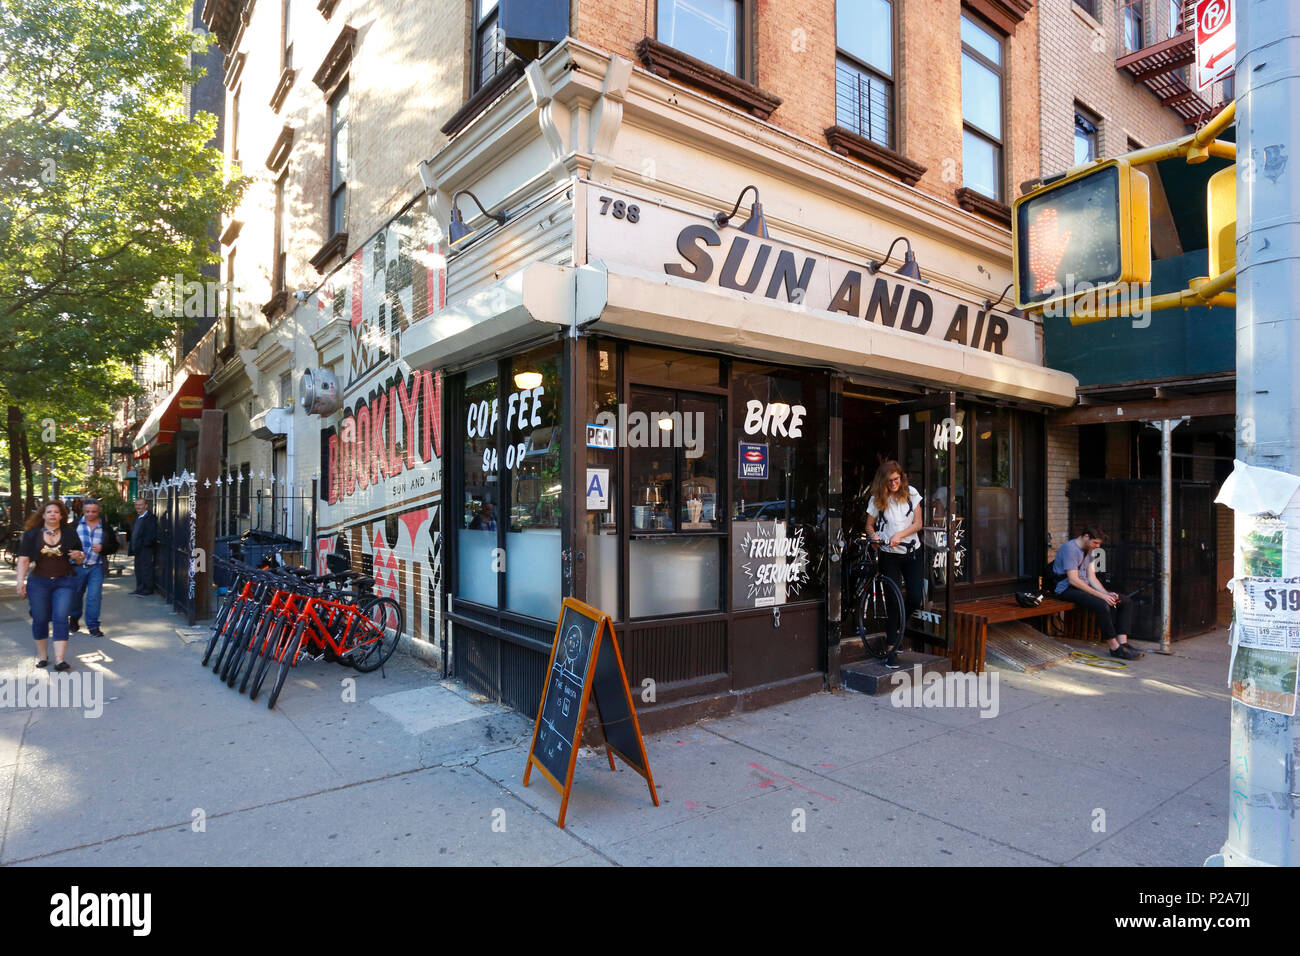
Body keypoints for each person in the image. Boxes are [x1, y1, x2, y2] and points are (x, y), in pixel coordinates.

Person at [865, 460, 924, 670]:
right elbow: (869, 525)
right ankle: (892, 647)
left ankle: (897, 628)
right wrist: (873, 538)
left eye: (897, 479)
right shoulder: (877, 499)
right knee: (892, 600)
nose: (894, 483)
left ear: (902, 477)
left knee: (915, 597)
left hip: (911, 551)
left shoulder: (911, 494)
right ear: (883, 481)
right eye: (890, 481)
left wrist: (900, 534)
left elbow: (918, 523)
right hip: (889, 554)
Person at [15, 500, 86, 671]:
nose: (53, 514)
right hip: (39, 582)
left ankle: (60, 660)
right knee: (39, 619)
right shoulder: (32, 535)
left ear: (61, 515)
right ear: (43, 515)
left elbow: (79, 557)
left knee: (61, 618)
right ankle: (43, 657)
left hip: (64, 581)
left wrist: (79, 555)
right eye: (49, 512)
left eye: (56, 512)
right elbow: (23, 559)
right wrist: (20, 581)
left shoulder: (69, 533)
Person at [1052, 526, 1141, 660]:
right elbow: (1073, 580)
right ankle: (1114, 648)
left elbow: (1092, 577)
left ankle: (1123, 644)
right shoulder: (1069, 549)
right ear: (1086, 536)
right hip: (1065, 588)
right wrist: (1102, 596)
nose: (1098, 546)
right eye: (1096, 542)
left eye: (1099, 543)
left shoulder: (1090, 550)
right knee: (1101, 604)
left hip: (1083, 586)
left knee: (1125, 601)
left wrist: (1107, 594)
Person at [68, 498, 119, 637]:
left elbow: (115, 546)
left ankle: (93, 626)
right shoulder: (74, 526)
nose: (90, 514)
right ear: (83, 511)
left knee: (94, 596)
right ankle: (73, 619)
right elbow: (65, 546)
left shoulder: (105, 527)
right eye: (87, 511)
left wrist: (103, 548)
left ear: (99, 511)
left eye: (94, 511)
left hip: (96, 566)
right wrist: (73, 554)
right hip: (77, 567)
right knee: (75, 596)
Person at [128, 496, 158, 595]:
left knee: (146, 569)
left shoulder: (150, 517)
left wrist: (145, 544)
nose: (138, 507)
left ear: (145, 506)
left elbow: (151, 534)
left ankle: (147, 590)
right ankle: (139, 588)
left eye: (140, 505)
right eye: (136, 505)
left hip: (146, 549)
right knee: (138, 569)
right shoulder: (137, 517)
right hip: (137, 549)